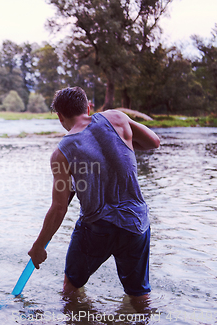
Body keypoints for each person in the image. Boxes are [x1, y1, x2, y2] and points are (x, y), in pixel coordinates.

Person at [28, 87, 160, 302]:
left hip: (97, 228)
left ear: (60, 117)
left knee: (71, 287)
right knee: (139, 294)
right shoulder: (117, 118)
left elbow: (59, 208)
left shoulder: (60, 154)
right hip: (135, 223)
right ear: (88, 107)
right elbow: (153, 142)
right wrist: (126, 142)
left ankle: (80, 317)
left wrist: (38, 246)